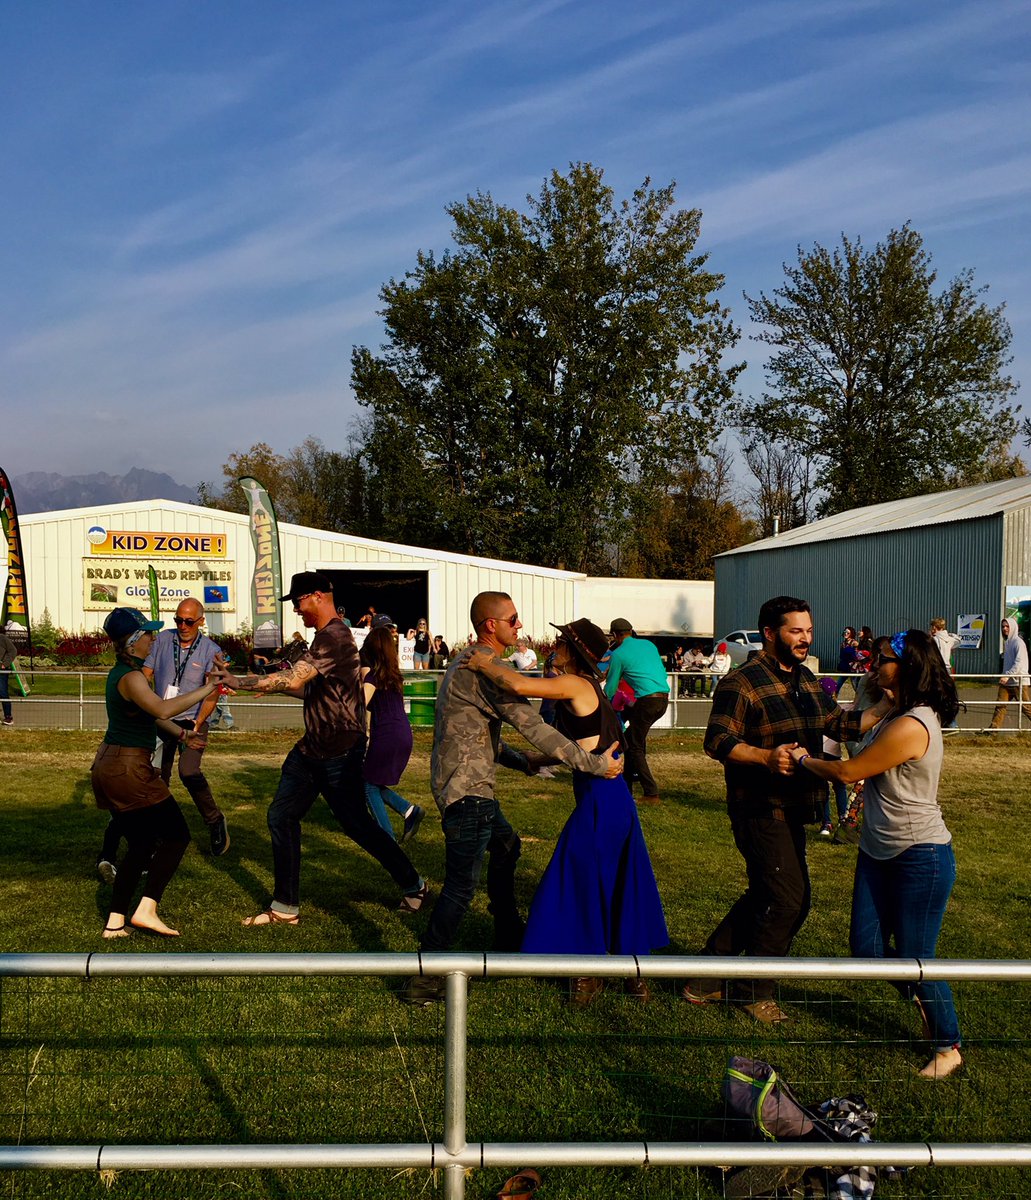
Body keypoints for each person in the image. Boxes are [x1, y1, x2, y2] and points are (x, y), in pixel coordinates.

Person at [402, 591, 622, 1006]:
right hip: (468, 793)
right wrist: (592, 764)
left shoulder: (464, 660)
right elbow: (536, 728)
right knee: (460, 887)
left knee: (507, 845)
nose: (519, 626)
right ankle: (424, 976)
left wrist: (523, 764)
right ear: (491, 625)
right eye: (514, 619)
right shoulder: (489, 670)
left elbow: (474, 734)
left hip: (463, 785)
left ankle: (507, 932)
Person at [686, 596, 887, 1023]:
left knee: (773, 896)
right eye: (796, 631)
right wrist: (765, 757)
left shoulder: (806, 678)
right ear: (769, 633)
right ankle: (752, 991)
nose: (805, 638)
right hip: (759, 808)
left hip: (796, 808)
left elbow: (838, 724)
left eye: (808, 631)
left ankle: (704, 976)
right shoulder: (741, 682)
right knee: (786, 901)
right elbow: (717, 740)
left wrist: (890, 705)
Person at [465, 618, 668, 1006]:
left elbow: (518, 685)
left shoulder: (576, 683)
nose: (553, 648)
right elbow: (586, 745)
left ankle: (588, 971)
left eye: (559, 643)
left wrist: (483, 663)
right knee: (615, 878)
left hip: (601, 799)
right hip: (609, 797)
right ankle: (630, 972)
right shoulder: (588, 688)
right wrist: (536, 759)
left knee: (577, 878)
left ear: (574, 652)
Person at [789, 629, 963, 1079]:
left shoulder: (912, 723)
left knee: (916, 956)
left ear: (908, 667)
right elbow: (856, 729)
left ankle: (947, 1044)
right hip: (876, 850)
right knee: (865, 948)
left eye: (882, 659)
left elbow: (848, 772)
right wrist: (879, 697)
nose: (873, 664)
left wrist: (803, 760)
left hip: (920, 854)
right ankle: (925, 999)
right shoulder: (894, 713)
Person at [215, 573, 427, 925]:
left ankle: (414, 884)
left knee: (358, 826)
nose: (296, 610)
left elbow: (295, 677)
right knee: (281, 816)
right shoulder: (325, 638)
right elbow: (309, 689)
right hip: (311, 750)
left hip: (340, 750)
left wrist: (242, 680)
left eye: (298, 602)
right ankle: (285, 908)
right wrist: (268, 685)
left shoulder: (334, 637)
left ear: (316, 596)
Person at [91, 607, 219, 938]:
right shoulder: (132, 678)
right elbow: (162, 709)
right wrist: (209, 687)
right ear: (133, 641)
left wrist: (182, 735)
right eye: (147, 634)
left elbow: (150, 716)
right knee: (177, 835)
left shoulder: (122, 673)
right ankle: (146, 910)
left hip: (110, 765)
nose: (152, 639)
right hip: (130, 769)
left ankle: (115, 922)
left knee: (142, 842)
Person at [143, 598, 230, 857]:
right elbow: (145, 674)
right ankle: (157, 833)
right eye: (178, 620)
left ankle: (215, 821)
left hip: (194, 720)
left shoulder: (211, 650)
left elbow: (212, 692)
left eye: (189, 621)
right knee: (158, 775)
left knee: (189, 771)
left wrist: (198, 722)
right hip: (162, 718)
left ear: (200, 621)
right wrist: (150, 705)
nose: (182, 626)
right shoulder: (161, 640)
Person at [361, 626, 424, 844]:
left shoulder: (373, 677)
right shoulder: (395, 677)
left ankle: (386, 839)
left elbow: (359, 704)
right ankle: (409, 811)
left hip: (386, 736)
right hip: (403, 733)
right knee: (374, 781)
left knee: (367, 785)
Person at [603, 618, 670, 805]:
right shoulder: (649, 645)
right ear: (631, 631)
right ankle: (626, 787)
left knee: (634, 745)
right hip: (662, 699)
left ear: (615, 635)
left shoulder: (618, 654)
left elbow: (611, 688)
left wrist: (603, 700)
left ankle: (651, 793)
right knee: (630, 741)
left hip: (646, 701)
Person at [988, 617, 1031, 731]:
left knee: (1026, 707)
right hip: (1007, 682)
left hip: (1018, 681)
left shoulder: (1018, 643)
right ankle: (993, 731)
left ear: (1013, 627)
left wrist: (1008, 675)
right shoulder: (1008, 642)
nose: (1004, 629)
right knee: (1000, 706)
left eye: (1007, 626)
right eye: (1003, 626)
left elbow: (1019, 663)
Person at [0, 627, 16, 726]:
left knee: (2, 692)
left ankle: (8, 717)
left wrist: (4, 664)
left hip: (1, 671)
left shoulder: (2, 638)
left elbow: (13, 651)